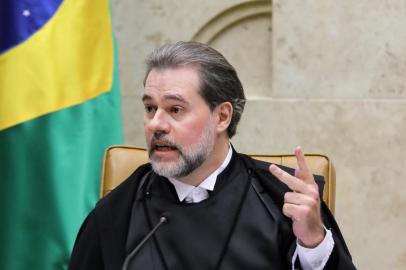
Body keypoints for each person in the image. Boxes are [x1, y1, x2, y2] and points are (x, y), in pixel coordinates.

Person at [69, 41, 356, 270]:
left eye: (175, 109)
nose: (156, 124)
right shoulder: (116, 214)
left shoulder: (282, 200)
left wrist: (313, 242)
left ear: (222, 117)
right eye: (149, 108)